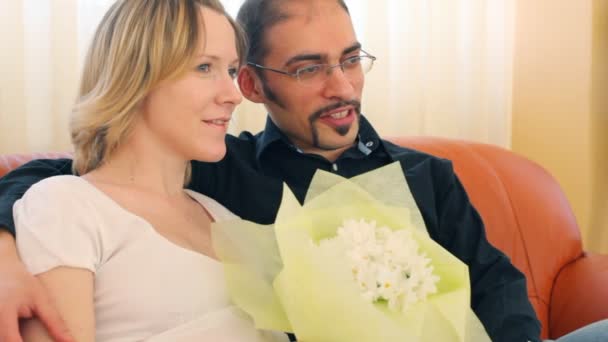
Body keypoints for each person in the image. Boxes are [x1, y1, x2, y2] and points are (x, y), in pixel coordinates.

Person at [0, 0, 606, 341]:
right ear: (255, 83)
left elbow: (497, 287)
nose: (342, 87)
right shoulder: (223, 175)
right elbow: (73, 178)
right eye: (310, 68)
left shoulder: (431, 177)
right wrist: (4, 253)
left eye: (350, 59)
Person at [0, 0, 290, 341]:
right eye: (203, 67)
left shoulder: (225, 217)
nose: (232, 94)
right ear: (136, 75)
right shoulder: (66, 205)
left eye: (230, 70)